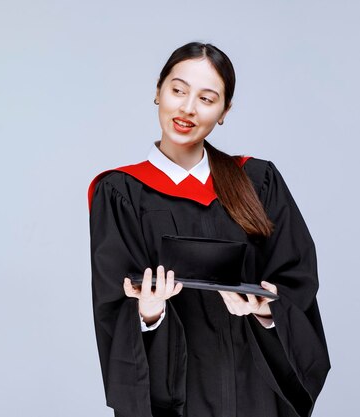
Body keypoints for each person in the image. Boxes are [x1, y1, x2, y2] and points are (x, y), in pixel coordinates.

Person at [87, 42, 330, 417]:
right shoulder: (121, 193)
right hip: (179, 397)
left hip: (255, 392)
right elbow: (112, 305)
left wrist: (267, 311)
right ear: (158, 91)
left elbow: (296, 279)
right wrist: (148, 313)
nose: (187, 108)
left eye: (206, 98)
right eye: (178, 90)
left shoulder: (258, 180)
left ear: (224, 111)